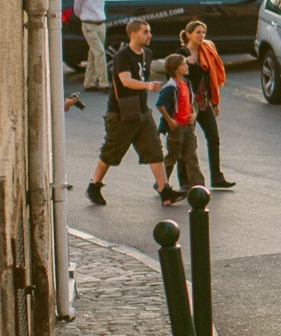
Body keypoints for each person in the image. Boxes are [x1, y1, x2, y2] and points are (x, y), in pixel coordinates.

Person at [87, 19, 183, 207]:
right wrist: (147, 85)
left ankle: (165, 191)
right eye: (145, 32)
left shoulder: (147, 54)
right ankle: (94, 186)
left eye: (149, 32)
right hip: (121, 113)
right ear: (133, 35)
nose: (149, 35)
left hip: (142, 111)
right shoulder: (122, 56)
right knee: (111, 152)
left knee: (154, 148)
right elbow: (125, 81)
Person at [177, 21, 235, 190]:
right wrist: (185, 62)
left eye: (203, 32)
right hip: (188, 104)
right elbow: (171, 74)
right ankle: (184, 180)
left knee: (213, 138)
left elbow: (210, 79)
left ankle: (217, 177)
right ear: (188, 34)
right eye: (198, 32)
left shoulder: (206, 51)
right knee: (186, 141)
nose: (201, 35)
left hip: (204, 102)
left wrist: (214, 103)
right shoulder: (181, 54)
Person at [156, 54, 205, 192]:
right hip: (176, 128)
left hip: (188, 126)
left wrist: (193, 114)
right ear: (175, 69)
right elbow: (160, 104)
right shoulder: (171, 87)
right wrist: (169, 120)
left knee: (191, 157)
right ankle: (161, 184)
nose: (186, 66)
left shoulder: (187, 83)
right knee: (172, 157)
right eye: (183, 64)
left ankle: (198, 186)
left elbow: (192, 101)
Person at [73, 0, 110, 92]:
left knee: (93, 54)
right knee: (100, 52)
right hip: (89, 25)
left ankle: (89, 83)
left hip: (101, 24)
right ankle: (104, 83)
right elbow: (77, 7)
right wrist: (84, 17)